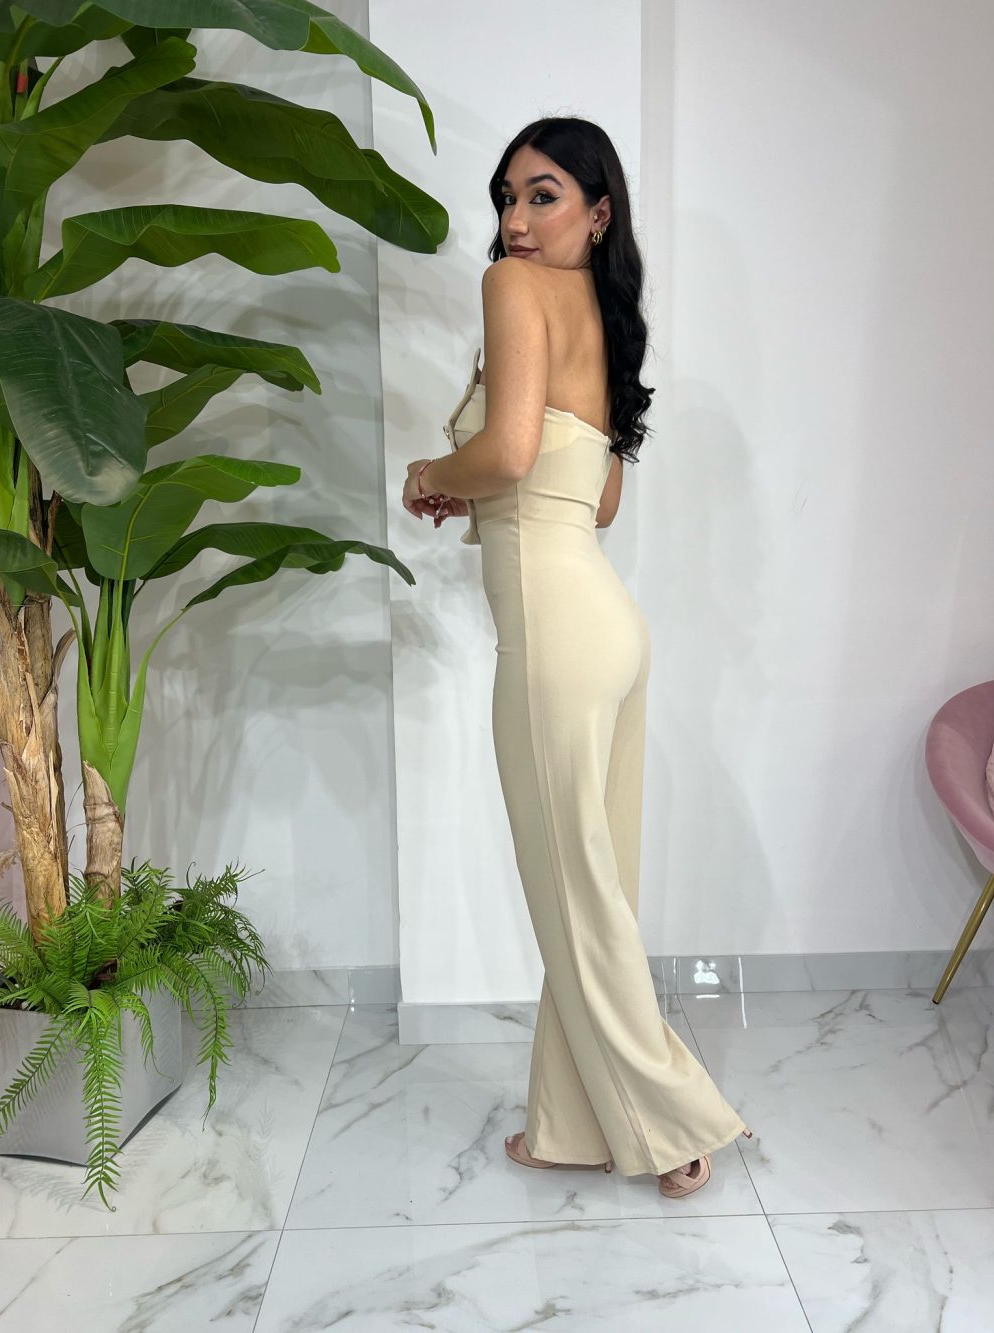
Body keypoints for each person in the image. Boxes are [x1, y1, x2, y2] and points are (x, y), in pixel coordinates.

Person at [401, 117, 752, 1199]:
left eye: (542, 195)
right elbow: (592, 501)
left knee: (578, 898)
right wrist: (482, 489)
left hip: (556, 638)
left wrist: (430, 472)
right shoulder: (604, 320)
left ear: (598, 213)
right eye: (506, 197)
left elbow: (509, 452)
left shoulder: (513, 293)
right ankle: (570, 1124)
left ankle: (676, 1121)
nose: (515, 221)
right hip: (609, 626)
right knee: (590, 894)